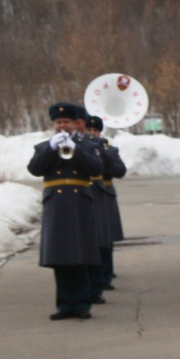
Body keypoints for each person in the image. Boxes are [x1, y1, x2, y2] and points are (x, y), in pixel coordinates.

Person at [28, 103, 107, 320]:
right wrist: (51, 148)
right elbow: (34, 168)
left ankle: (82, 304)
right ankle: (64, 304)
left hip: (79, 202)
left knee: (79, 254)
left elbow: (96, 168)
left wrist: (76, 148)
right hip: (56, 203)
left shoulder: (87, 145)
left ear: (74, 124)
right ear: (54, 125)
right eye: (58, 122)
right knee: (60, 256)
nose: (62, 125)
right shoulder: (45, 146)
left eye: (66, 122)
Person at [83, 114, 126, 300]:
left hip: (105, 192)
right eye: (89, 130)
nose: (92, 133)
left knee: (106, 237)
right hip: (87, 192)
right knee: (92, 236)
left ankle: (106, 275)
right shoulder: (82, 148)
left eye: (95, 131)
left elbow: (119, 171)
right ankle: (93, 277)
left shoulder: (109, 149)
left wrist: (105, 152)